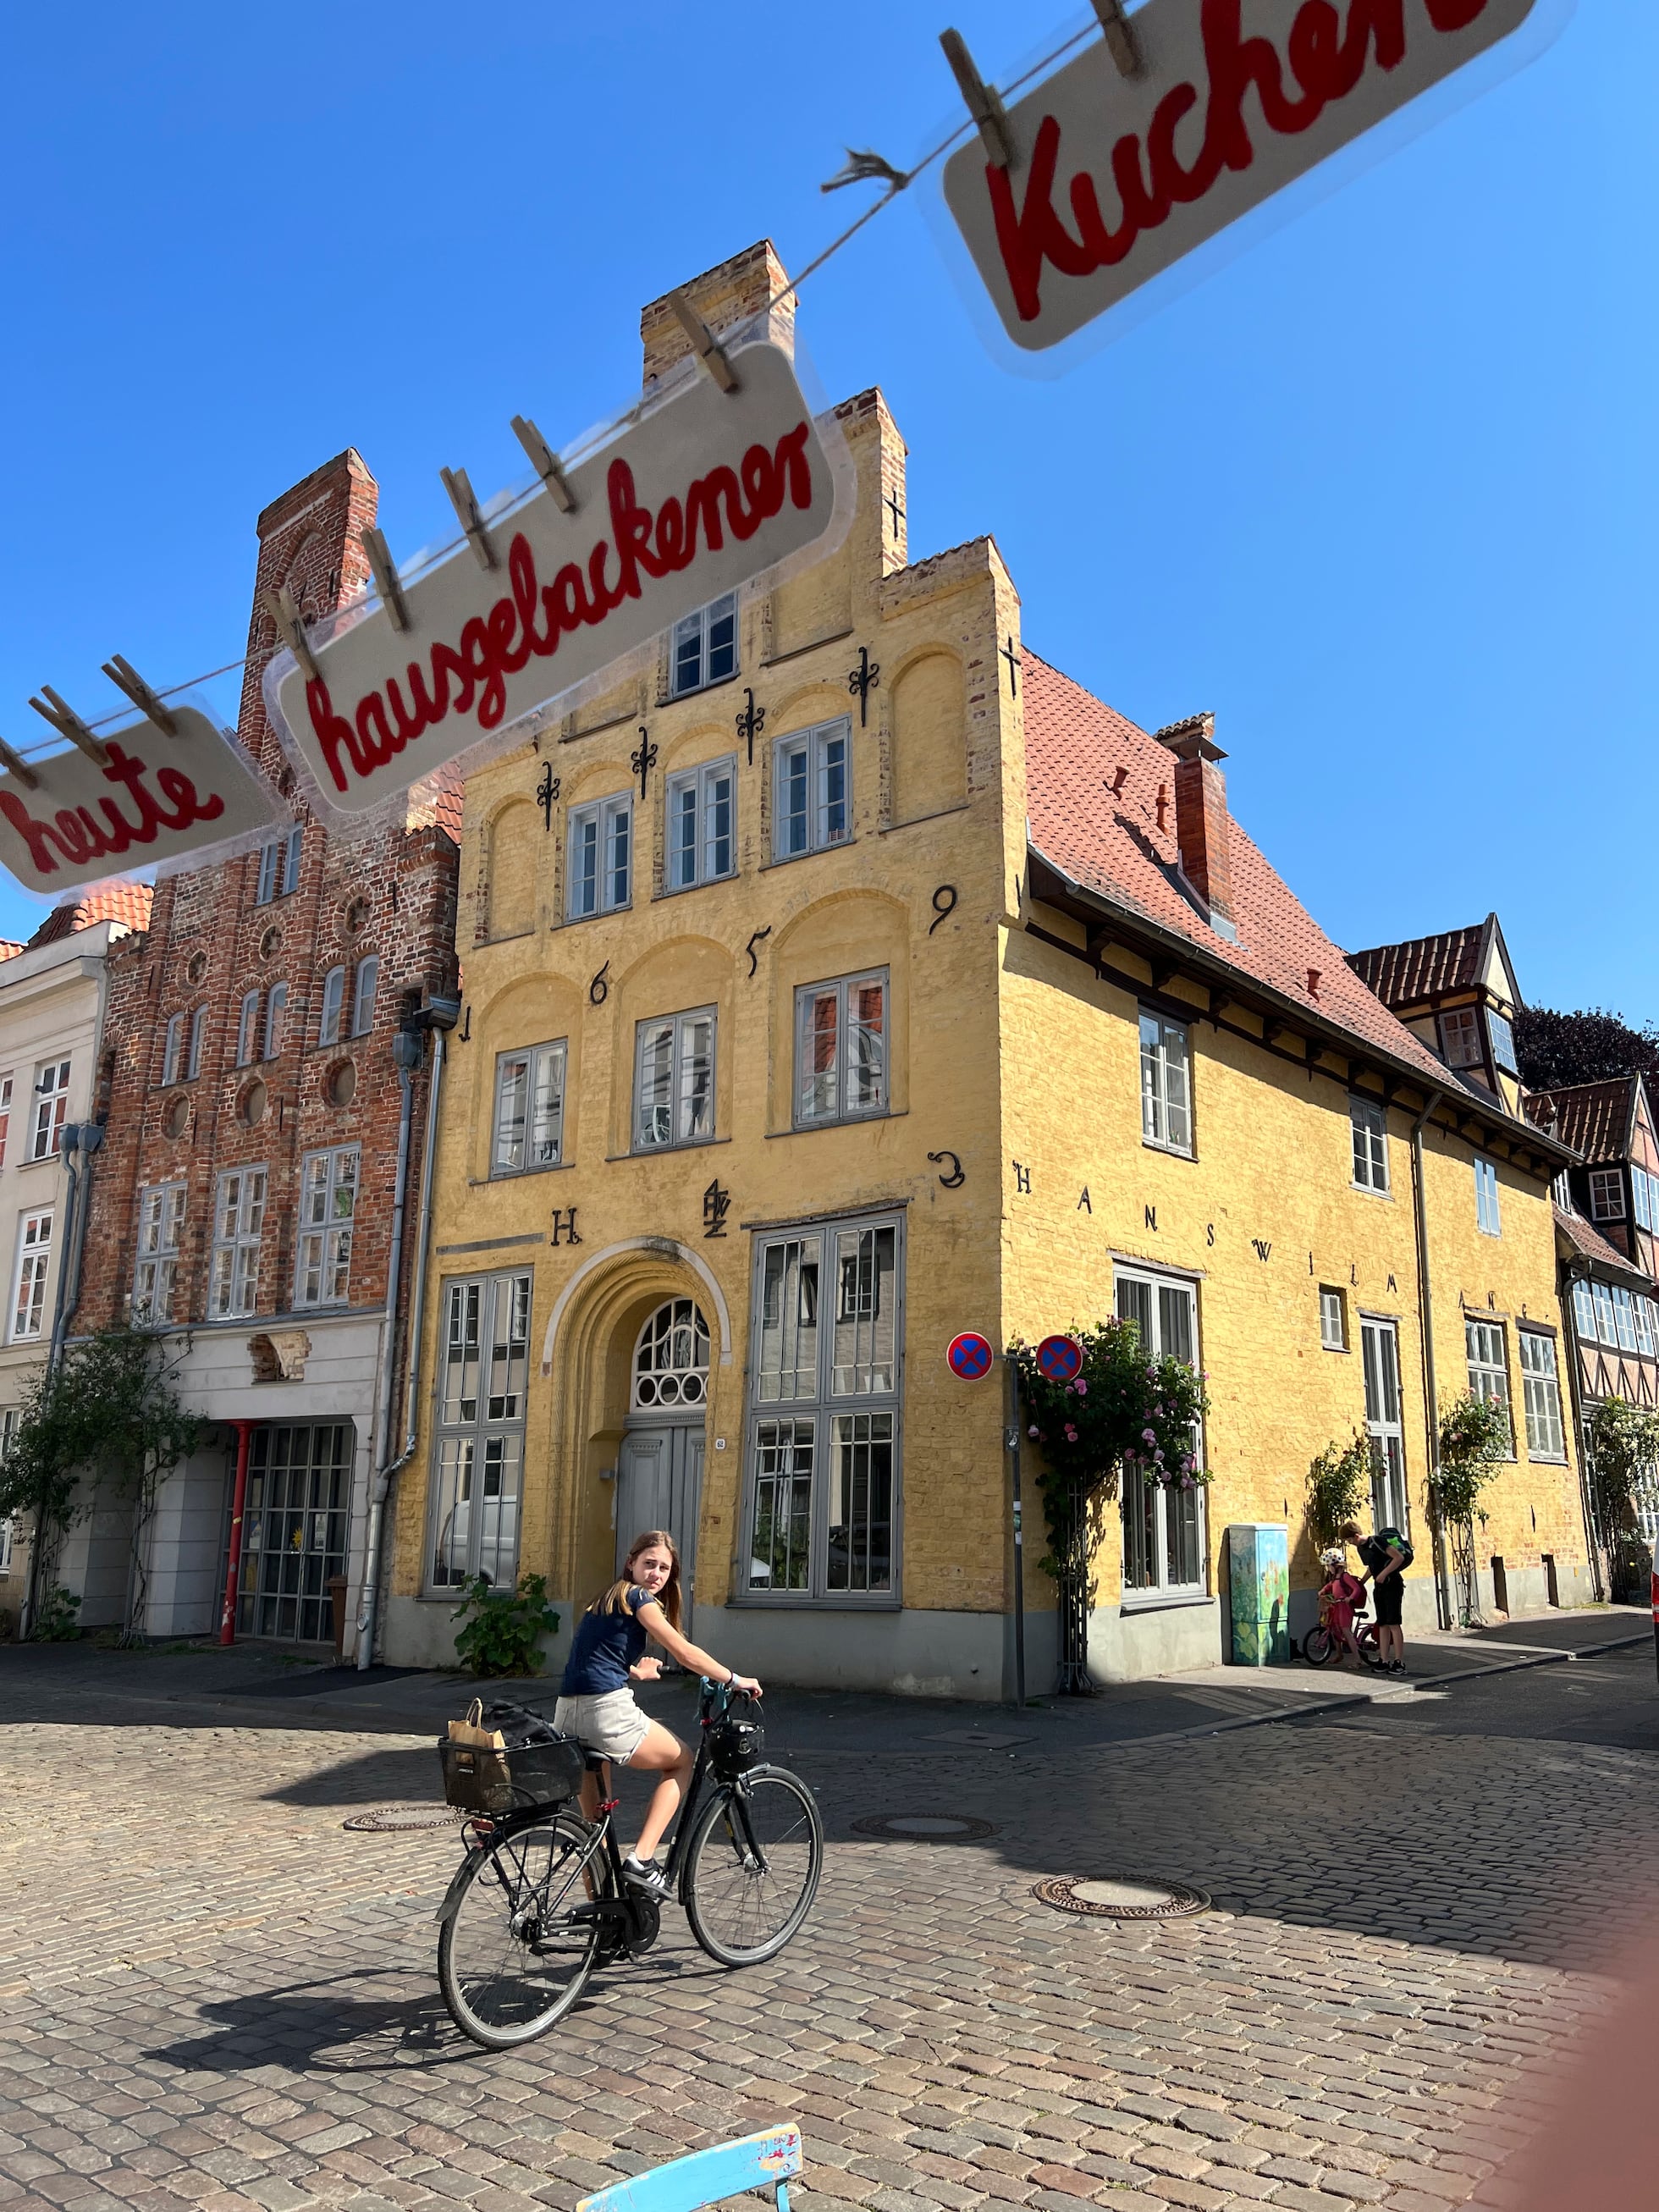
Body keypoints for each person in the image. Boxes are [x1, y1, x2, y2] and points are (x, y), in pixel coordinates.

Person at [554, 1528, 761, 1899]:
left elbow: (593, 1657)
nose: (656, 1574)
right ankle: (643, 1858)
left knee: (595, 1827)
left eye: (664, 1569)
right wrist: (734, 1678)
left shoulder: (605, 1598)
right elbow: (682, 1652)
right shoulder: (638, 1597)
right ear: (631, 1563)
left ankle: (603, 1923)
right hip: (605, 1712)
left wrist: (634, 1672)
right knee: (682, 1761)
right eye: (649, 1564)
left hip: (568, 1713)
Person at [1342, 1519, 1408, 1674]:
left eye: (1349, 1539)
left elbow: (1398, 1558)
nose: (1349, 1543)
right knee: (1383, 1624)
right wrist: (1361, 1582)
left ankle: (1399, 1662)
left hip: (1393, 1585)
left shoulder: (1377, 1541)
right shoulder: (1361, 1549)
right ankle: (1384, 1660)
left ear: (1356, 1535)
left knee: (1394, 1623)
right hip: (1379, 1587)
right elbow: (1372, 1567)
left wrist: (1384, 1574)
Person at [1317, 1546, 1366, 1665]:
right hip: (1336, 1607)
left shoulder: (1345, 1576)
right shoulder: (1335, 1578)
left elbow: (1356, 1589)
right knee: (1335, 1630)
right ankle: (1339, 1655)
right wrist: (1322, 1591)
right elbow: (1330, 1586)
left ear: (1335, 1565)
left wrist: (1350, 1598)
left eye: (1328, 1566)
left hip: (1345, 1607)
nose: (1328, 1569)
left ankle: (1357, 1660)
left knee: (1346, 1631)